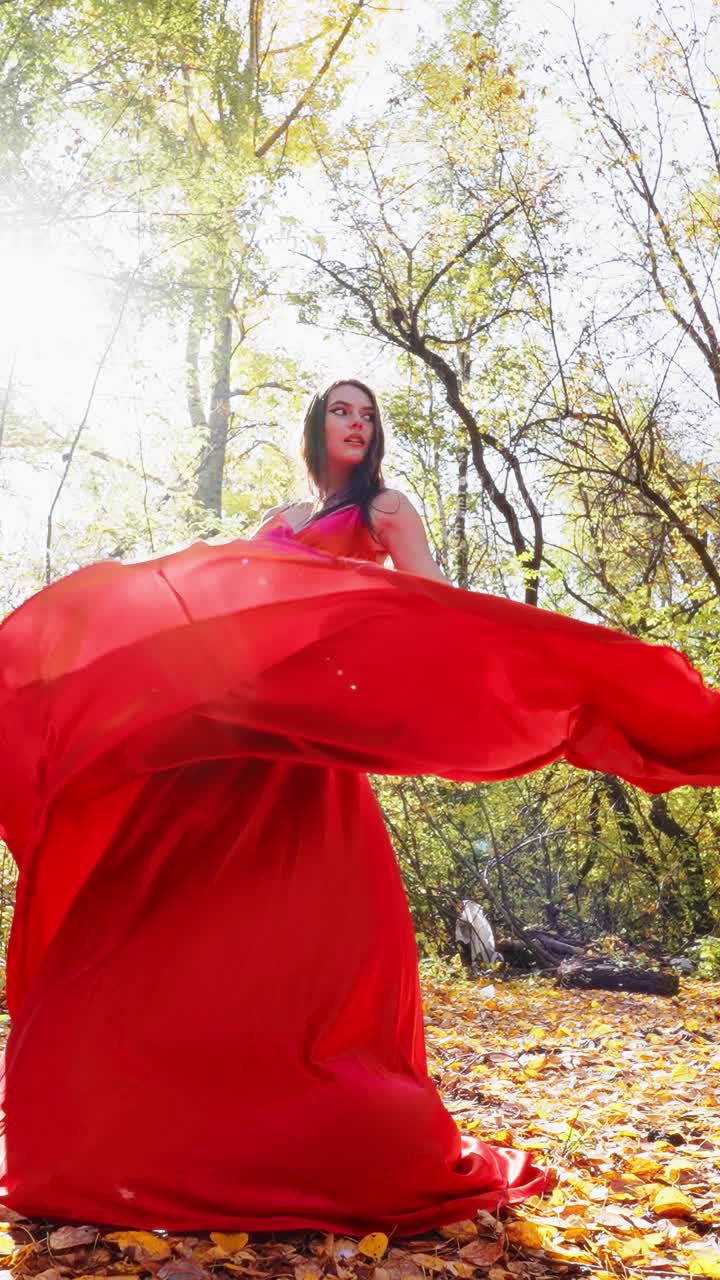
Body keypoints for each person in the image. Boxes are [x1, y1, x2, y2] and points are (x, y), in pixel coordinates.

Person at [0, 376, 719, 1235]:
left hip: (301, 765)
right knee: (144, 933)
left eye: (368, 415)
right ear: (317, 426)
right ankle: (114, 1138)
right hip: (226, 748)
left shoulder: (385, 508)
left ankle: (294, 1136)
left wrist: (522, 678)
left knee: (290, 960)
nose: (357, 423)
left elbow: (436, 613)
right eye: (342, 410)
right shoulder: (279, 521)